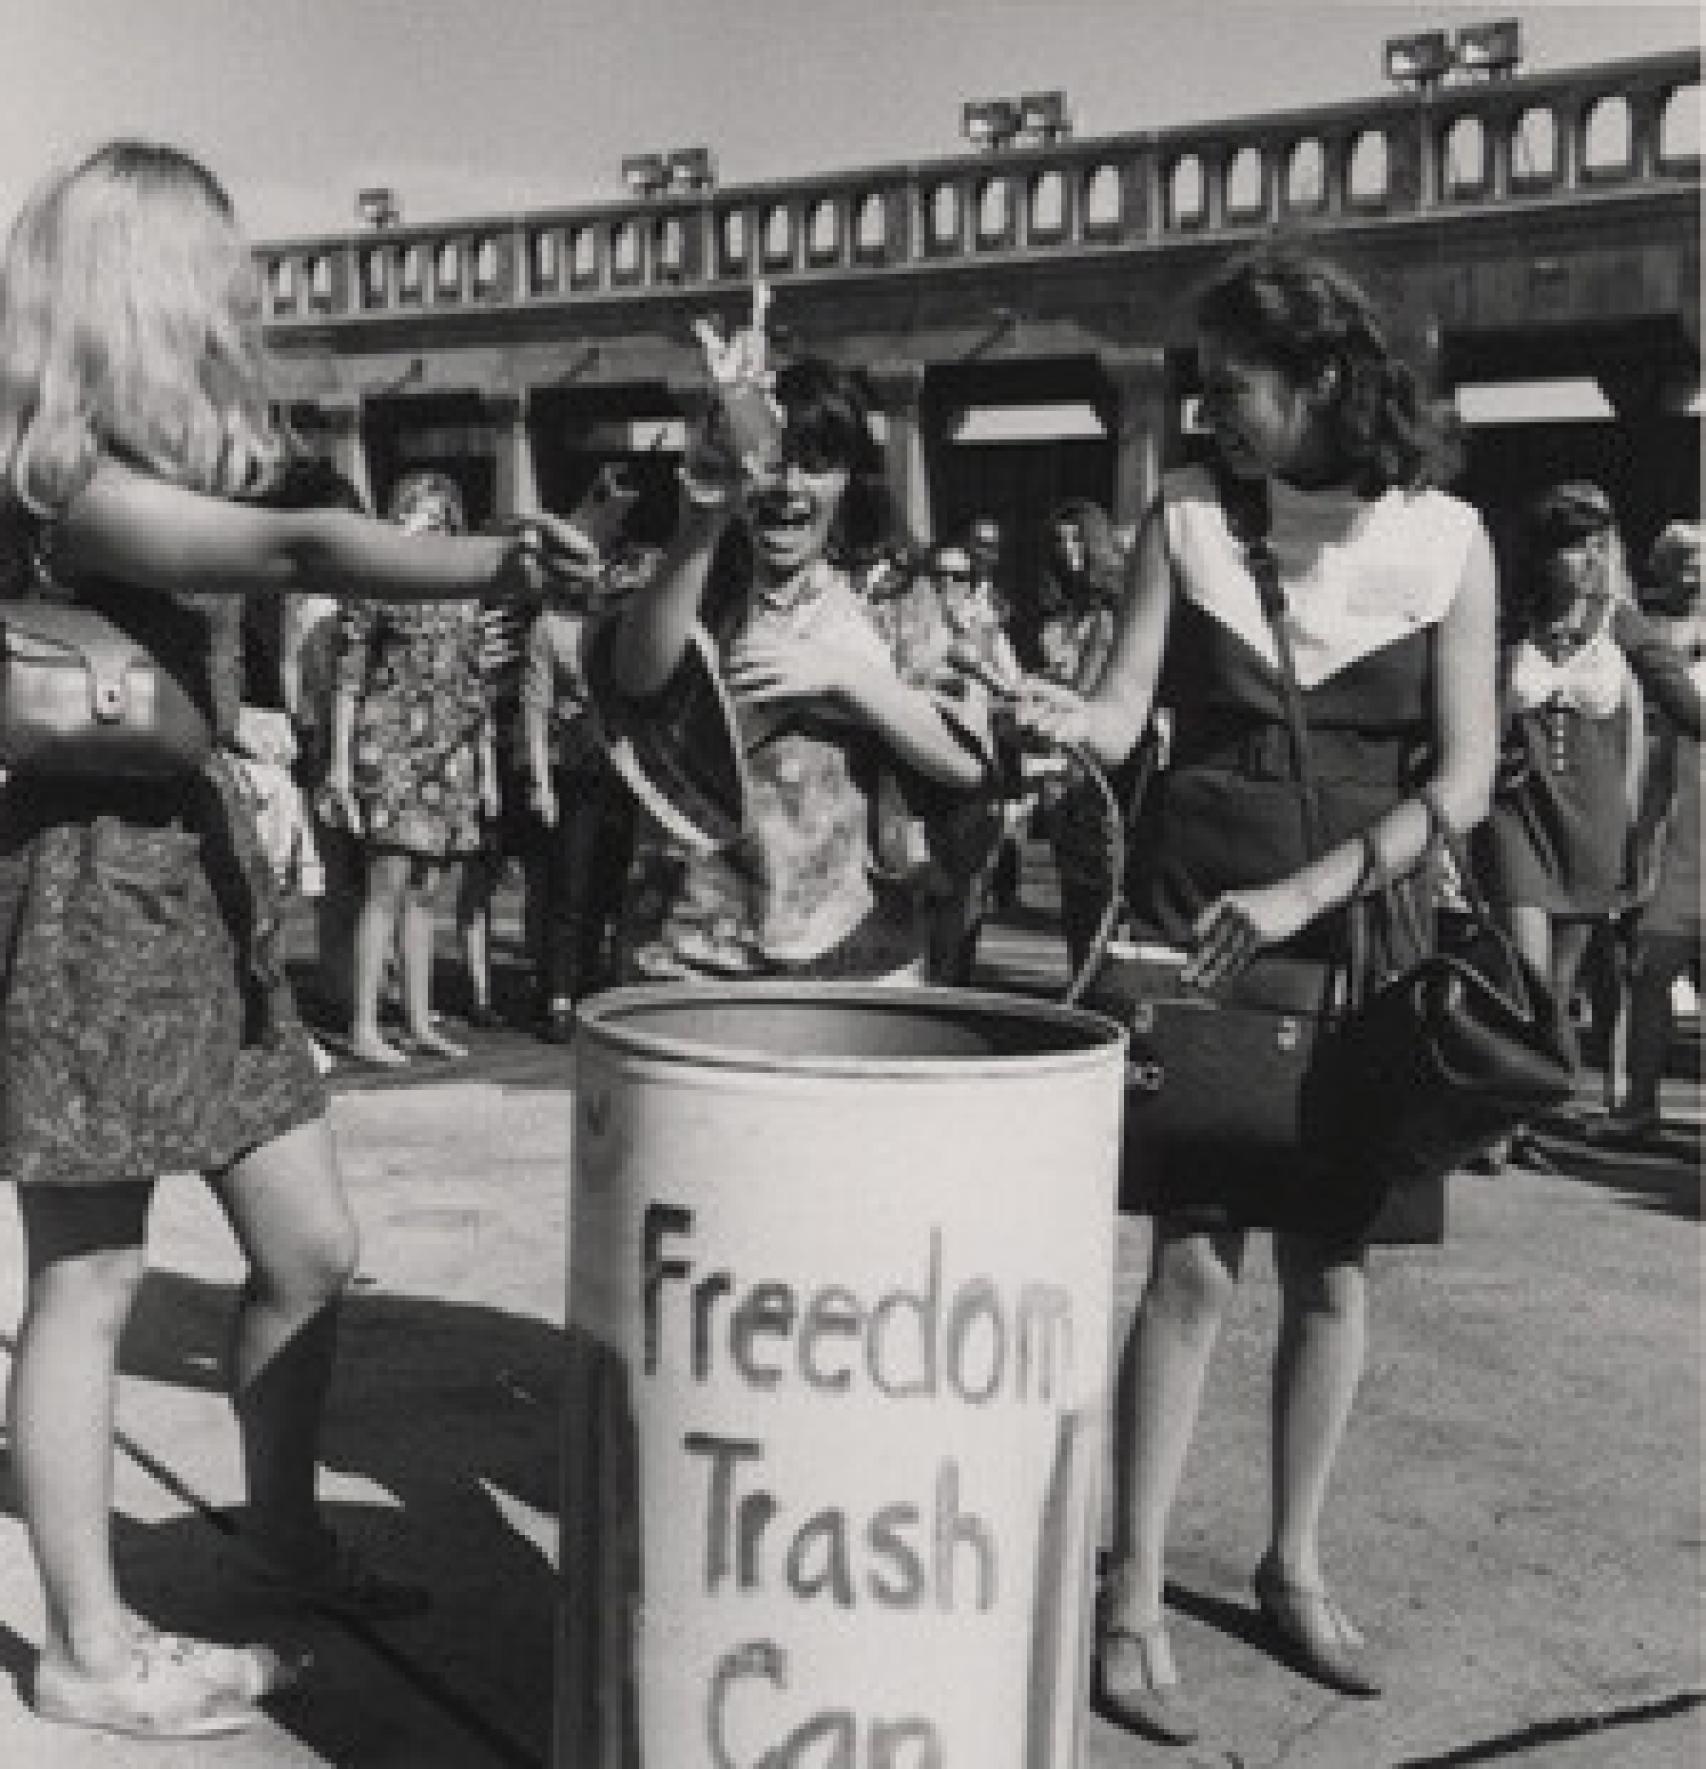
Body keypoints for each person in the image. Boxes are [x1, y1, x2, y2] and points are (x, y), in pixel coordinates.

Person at [0, 140, 592, 1741]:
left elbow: (289, 525)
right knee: (90, 1275)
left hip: (195, 894)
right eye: (215, 282)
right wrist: (500, 562)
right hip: (93, 899)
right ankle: (88, 1645)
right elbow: (299, 551)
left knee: (309, 1245)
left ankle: (278, 1535)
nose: (238, 311)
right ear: (144, 295)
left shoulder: (125, 467)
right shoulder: (70, 485)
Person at [1019, 244, 1499, 1744]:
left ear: (1321, 382)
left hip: (1352, 931)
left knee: (1334, 1265)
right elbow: (1117, 708)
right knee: (1192, 1264)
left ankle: (1293, 1564)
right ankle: (1135, 1591)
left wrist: (1308, 888)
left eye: (1231, 386)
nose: (1206, 409)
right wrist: (1060, 720)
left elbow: (1468, 783)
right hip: (1189, 922)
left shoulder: (1449, 543)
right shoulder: (1178, 515)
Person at [603, 330, 990, 984]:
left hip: (854, 950)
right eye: (771, 463)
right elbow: (636, 678)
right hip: (692, 946)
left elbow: (962, 760)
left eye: (816, 463)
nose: (788, 487)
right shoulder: (690, 582)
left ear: (850, 479)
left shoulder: (897, 600)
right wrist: (704, 511)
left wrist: (843, 675)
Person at [1472, 483, 1704, 1168]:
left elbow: (1684, 703)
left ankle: (1525, 1114)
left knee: (1559, 986)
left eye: (1599, 544)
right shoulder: (1509, 626)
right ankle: (1495, 1122)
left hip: (1592, 829)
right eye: (1576, 545)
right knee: (1524, 966)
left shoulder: (1622, 622)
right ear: (1544, 555)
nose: (1590, 559)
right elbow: (1471, 710)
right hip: (1516, 813)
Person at [326, 471, 496, 1065]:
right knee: (385, 885)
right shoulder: (374, 582)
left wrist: (485, 762)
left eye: (437, 514)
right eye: (414, 512)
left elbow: (475, 684)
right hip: (390, 741)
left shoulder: (464, 590)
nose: (426, 522)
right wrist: (340, 765)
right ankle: (364, 1023)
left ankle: (419, 1019)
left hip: (449, 750)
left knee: (428, 889)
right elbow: (347, 678)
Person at [1601, 520, 1706, 1144]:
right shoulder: (1654, 641)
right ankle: (1639, 1107)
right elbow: (1665, 764)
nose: (1694, 572)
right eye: (1685, 560)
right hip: (1684, 848)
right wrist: (1641, 840)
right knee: (1651, 976)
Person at [522, 549, 637, 1040]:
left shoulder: (628, 625)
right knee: (570, 887)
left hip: (631, 774)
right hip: (576, 769)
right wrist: (540, 782)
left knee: (618, 886)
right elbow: (534, 707)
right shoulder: (550, 627)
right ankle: (559, 995)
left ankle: (604, 986)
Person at [1035, 499, 1132, 974]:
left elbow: (1092, 689)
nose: (1068, 550)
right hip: (1058, 770)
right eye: (1058, 541)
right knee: (1072, 891)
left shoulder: (1114, 614)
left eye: (1077, 539)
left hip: (1100, 766)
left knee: (1105, 892)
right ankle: (1081, 982)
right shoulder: (1061, 615)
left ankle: (1101, 989)